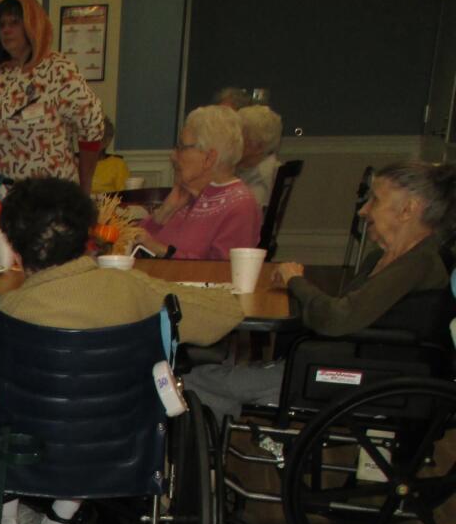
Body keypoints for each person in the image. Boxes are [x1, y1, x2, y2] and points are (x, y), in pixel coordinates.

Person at [0, 176, 244, 524]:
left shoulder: (9, 310)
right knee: (95, 415)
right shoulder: (131, 288)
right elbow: (224, 316)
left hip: (31, 439)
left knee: (1, 406)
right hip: (115, 442)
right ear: (88, 236)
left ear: (14, 245)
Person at [186, 161, 456, 421]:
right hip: (339, 365)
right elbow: (341, 313)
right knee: (213, 378)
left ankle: (205, 445)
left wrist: (296, 281)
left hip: (354, 379)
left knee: (194, 380)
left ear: (408, 209)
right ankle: (211, 445)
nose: (363, 211)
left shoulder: (416, 264)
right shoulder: (385, 260)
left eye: (375, 200)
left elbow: (336, 319)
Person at [0, 0, 104, 192]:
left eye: (14, 23)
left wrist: (84, 187)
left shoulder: (59, 70)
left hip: (48, 195)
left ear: (32, 25)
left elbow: (92, 125)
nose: (6, 30)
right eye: (1, 25)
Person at [136, 105, 261, 261]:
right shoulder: (187, 194)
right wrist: (162, 214)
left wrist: (162, 251)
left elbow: (223, 270)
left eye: (181, 148)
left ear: (209, 158)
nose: (173, 156)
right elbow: (134, 246)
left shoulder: (240, 206)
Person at [236, 105, 282, 210]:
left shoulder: (263, 178)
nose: (234, 140)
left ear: (259, 146)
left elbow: (248, 215)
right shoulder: (246, 170)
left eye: (241, 136)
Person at [90, 117, 131, 194]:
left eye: (97, 137)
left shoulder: (117, 164)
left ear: (107, 140)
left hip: (108, 201)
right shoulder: (76, 163)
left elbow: (124, 195)